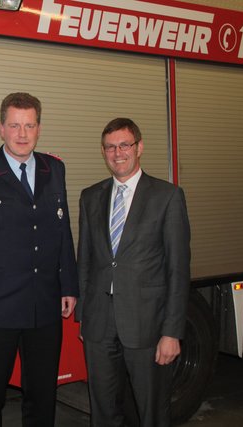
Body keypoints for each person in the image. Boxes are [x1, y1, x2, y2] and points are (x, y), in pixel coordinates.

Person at [0, 92, 78, 427]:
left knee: (41, 399)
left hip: (44, 303)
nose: (22, 134)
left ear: (39, 129)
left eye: (29, 125)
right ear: (1, 129)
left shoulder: (55, 168)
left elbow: (62, 228)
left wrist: (68, 284)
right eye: (14, 126)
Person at [76, 118, 190, 427]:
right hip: (99, 325)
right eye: (110, 147)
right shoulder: (90, 197)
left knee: (152, 411)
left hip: (147, 326)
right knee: (102, 410)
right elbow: (85, 261)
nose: (117, 153)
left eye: (124, 145)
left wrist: (172, 332)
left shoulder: (167, 197)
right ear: (103, 152)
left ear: (139, 147)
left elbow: (178, 270)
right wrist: (85, 316)